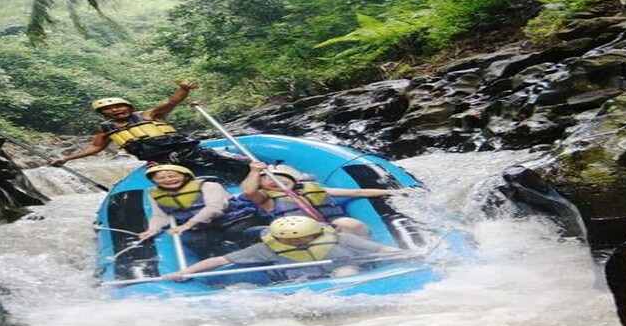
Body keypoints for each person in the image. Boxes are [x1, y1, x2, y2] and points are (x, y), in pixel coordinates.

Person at [49, 81, 249, 182]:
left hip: (188, 150)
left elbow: (172, 102)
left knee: (228, 164)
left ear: (128, 107)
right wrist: (67, 159)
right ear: (103, 113)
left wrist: (184, 89)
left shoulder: (149, 115)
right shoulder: (106, 129)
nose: (116, 110)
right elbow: (95, 147)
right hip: (159, 161)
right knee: (185, 181)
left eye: (120, 106)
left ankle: (254, 174)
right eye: (109, 109)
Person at [163, 216, 407, 281]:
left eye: (304, 238)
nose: (298, 242)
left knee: (346, 274)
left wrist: (403, 255)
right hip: (301, 279)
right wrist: (185, 272)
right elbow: (219, 261)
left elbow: (382, 250)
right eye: (291, 240)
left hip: (344, 270)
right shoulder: (266, 248)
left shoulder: (340, 238)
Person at [241, 160, 418, 237]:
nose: (275, 184)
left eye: (280, 180)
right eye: (268, 182)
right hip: (297, 233)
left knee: (350, 224)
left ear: (293, 179)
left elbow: (357, 193)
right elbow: (249, 192)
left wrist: (394, 192)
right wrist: (255, 171)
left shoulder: (313, 189)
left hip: (330, 226)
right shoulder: (266, 199)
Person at [137, 164, 268, 256]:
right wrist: (153, 229)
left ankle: (260, 252)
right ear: (154, 180)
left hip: (234, 219)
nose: (168, 180)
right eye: (161, 178)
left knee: (236, 232)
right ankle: (219, 259)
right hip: (204, 226)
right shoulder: (155, 194)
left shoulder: (209, 186)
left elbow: (215, 207)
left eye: (172, 176)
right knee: (194, 241)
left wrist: (188, 225)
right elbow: (160, 216)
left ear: (185, 176)